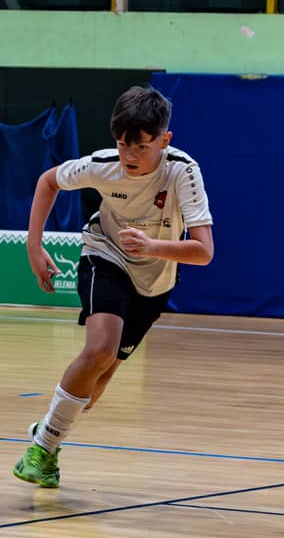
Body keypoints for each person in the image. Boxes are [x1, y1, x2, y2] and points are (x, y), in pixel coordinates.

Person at [12, 86, 214, 488]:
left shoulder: (182, 172)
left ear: (164, 140)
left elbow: (204, 251)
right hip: (105, 253)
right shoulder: (102, 165)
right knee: (100, 349)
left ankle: (48, 430)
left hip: (155, 277)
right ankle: (43, 450)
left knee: (98, 382)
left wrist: (153, 246)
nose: (130, 155)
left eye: (141, 146)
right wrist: (34, 245)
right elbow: (48, 182)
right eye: (123, 144)